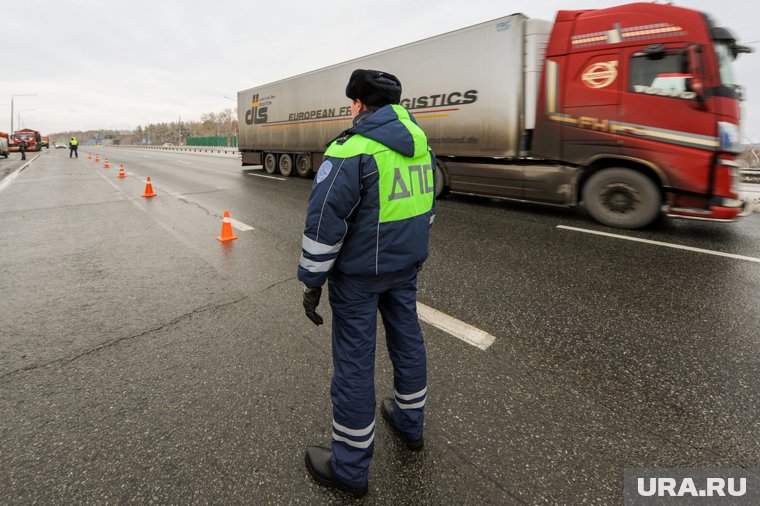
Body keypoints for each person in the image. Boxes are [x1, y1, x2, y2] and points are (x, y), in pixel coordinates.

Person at [298, 69, 436, 497]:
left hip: (358, 278)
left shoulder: (351, 149)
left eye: (351, 104)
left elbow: (324, 222)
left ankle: (351, 468)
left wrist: (312, 280)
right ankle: (410, 425)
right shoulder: (421, 146)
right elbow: (426, 210)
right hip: (404, 270)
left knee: (355, 364)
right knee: (408, 340)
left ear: (358, 105)